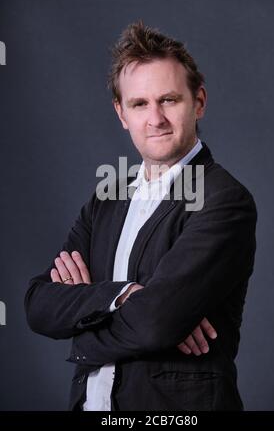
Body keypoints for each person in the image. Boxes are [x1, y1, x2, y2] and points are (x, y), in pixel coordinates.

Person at [25, 21, 257, 411]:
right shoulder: (106, 198)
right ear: (121, 113)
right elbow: (38, 304)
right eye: (139, 104)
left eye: (168, 100)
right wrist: (123, 294)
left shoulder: (224, 200)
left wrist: (84, 319)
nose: (155, 119)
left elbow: (154, 324)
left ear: (198, 102)